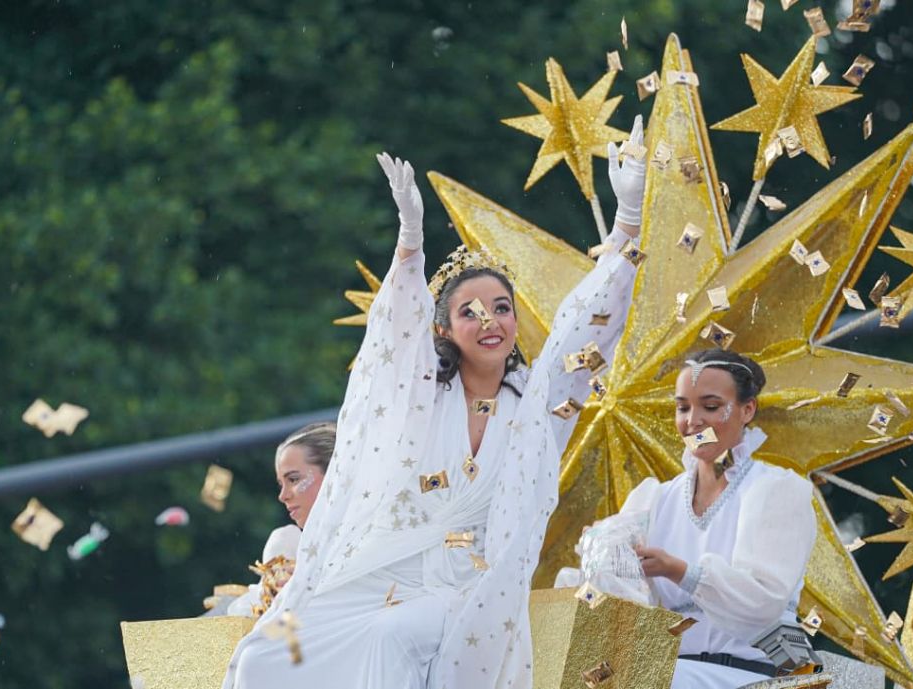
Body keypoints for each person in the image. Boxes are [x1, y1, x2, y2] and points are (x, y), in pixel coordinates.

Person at [222, 116, 648, 689]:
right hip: (384, 567)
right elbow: (393, 336)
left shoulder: (534, 405)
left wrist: (627, 222)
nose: (489, 321)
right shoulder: (422, 395)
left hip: (466, 587)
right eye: (469, 312)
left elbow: (585, 326)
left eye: (500, 307)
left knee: (388, 639)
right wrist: (411, 240)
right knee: (264, 656)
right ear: (443, 330)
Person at [603, 349, 816, 688]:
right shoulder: (654, 500)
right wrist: (601, 555)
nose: (693, 421)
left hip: (755, 674)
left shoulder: (774, 490)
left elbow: (763, 604)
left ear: (747, 410)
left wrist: (679, 571)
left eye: (711, 407)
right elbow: (623, 605)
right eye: (682, 407)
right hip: (670, 673)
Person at [223, 422, 336, 618]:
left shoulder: (381, 534)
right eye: (280, 484)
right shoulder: (288, 544)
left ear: (334, 474)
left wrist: (310, 583)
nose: (282, 496)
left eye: (293, 479)